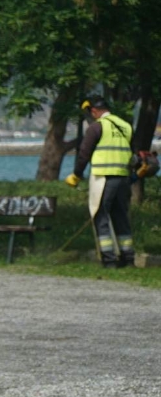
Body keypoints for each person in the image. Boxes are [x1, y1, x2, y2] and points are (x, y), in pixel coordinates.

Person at [65, 96, 135, 268]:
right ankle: (128, 258)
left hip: (103, 178)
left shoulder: (96, 127)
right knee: (121, 217)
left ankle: (109, 259)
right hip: (123, 178)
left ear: (94, 110)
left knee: (100, 216)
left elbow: (84, 154)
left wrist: (76, 175)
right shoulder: (125, 126)